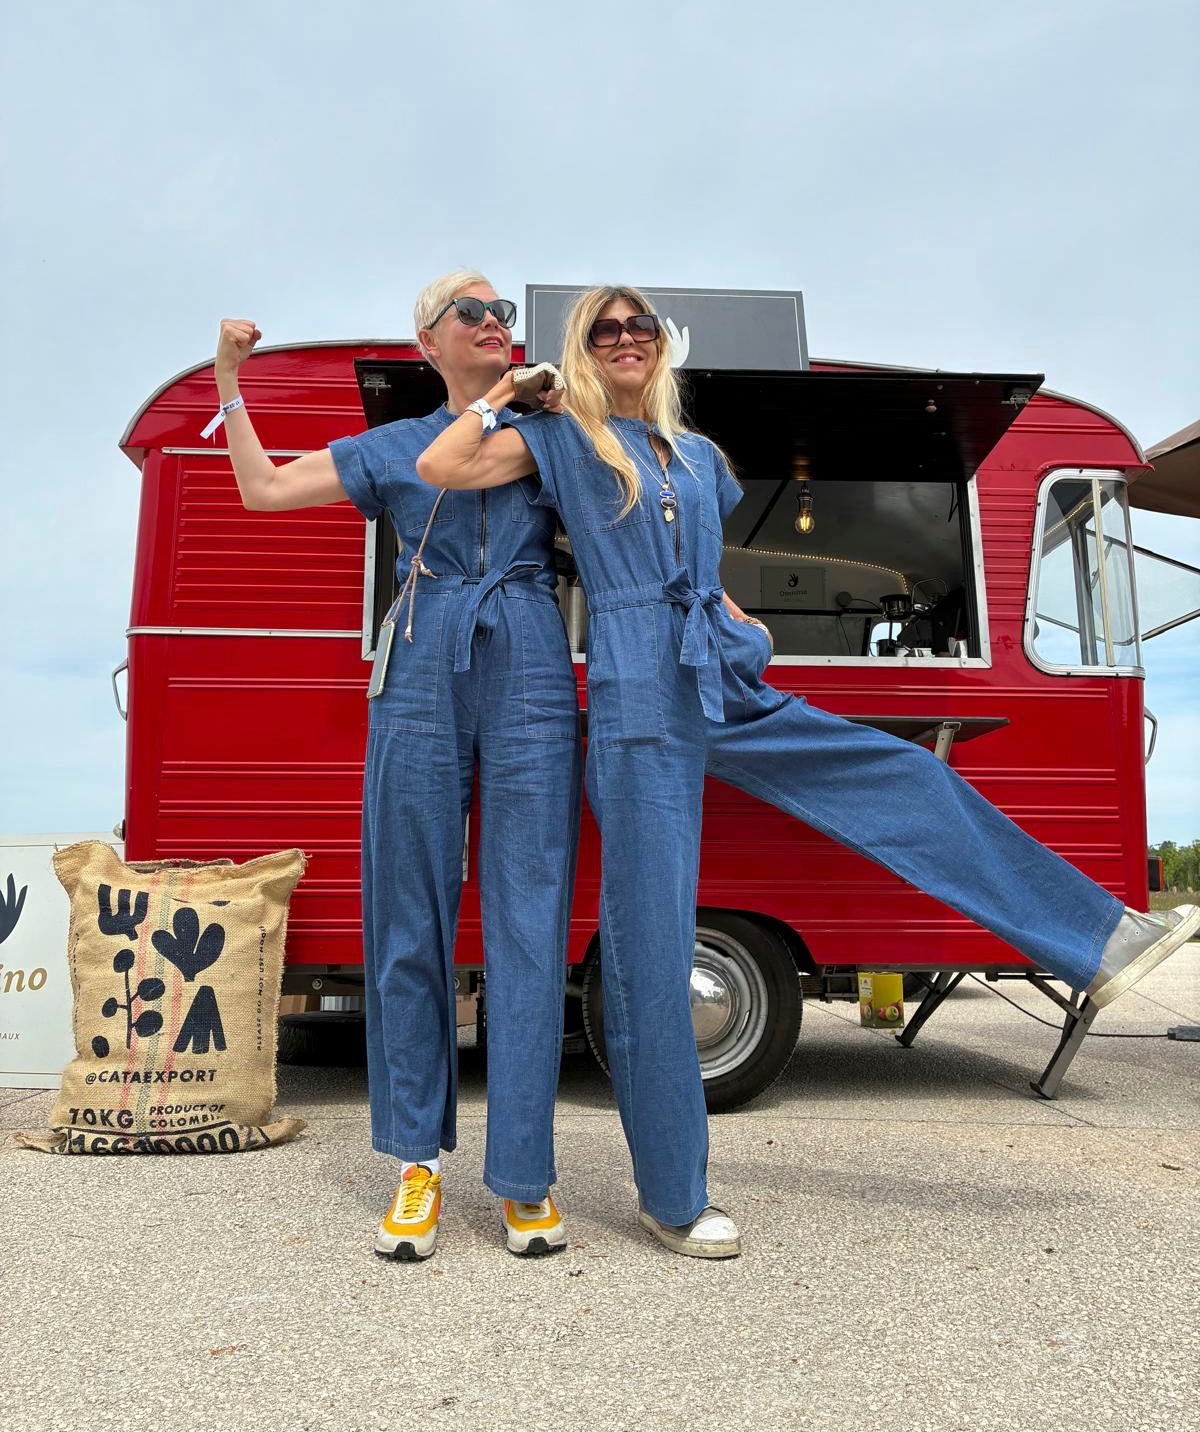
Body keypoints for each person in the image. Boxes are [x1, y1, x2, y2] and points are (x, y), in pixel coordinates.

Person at [416, 282, 1200, 1261]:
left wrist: (741, 618)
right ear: (586, 348)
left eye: (639, 326)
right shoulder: (564, 436)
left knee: (908, 776)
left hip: (722, 671)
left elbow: (703, 564)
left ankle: (1099, 938)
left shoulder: (700, 457)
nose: (625, 339)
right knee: (652, 952)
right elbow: (442, 462)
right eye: (604, 328)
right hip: (637, 695)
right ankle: (674, 1196)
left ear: (662, 346)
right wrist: (512, 393)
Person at [208, 272, 582, 1262]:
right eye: (475, 312)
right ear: (429, 339)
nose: (498, 325)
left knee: (529, 917)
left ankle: (525, 1176)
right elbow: (262, 490)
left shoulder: (549, 429)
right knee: (408, 917)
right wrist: (228, 382)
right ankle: (415, 1162)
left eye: (505, 313)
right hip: (420, 658)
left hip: (532, 656)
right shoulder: (391, 447)